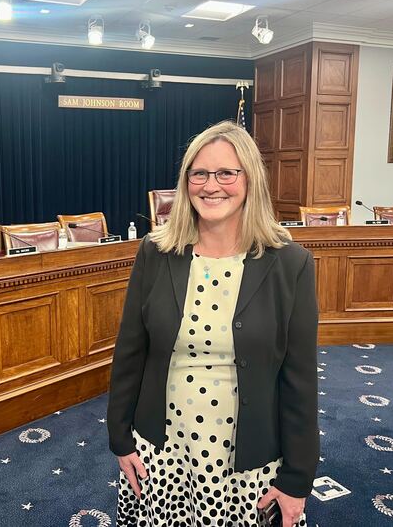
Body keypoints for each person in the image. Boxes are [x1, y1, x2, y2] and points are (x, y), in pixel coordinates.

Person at [107, 120, 319, 527]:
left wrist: (297, 478)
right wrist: (120, 437)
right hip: (162, 453)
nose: (211, 185)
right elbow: (130, 352)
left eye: (226, 172)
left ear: (250, 179)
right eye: (199, 173)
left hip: (246, 462)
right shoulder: (156, 252)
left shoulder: (291, 264)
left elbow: (300, 381)